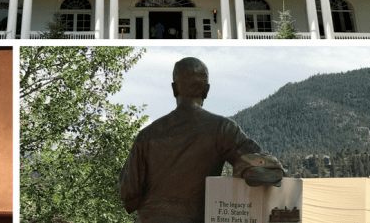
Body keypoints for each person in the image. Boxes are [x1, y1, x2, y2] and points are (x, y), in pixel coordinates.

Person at [119, 57, 283, 223]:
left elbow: (129, 195)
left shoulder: (146, 135)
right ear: (206, 90)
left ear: (174, 89)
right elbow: (265, 167)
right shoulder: (222, 129)